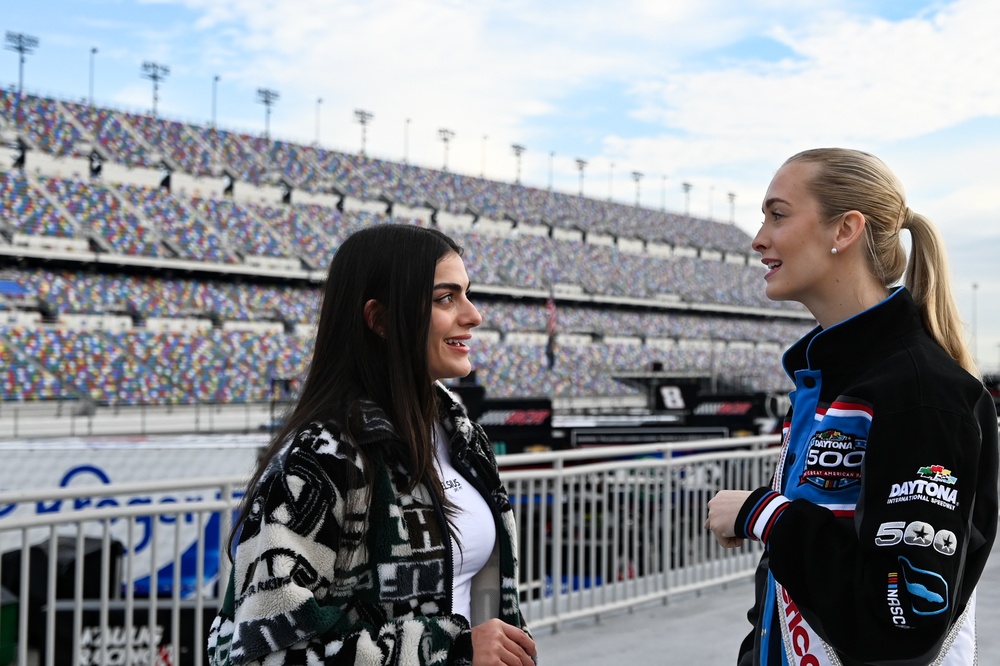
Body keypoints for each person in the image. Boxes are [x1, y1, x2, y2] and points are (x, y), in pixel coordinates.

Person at [706, 148, 998, 665]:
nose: (759, 239)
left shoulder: (921, 393)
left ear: (845, 230)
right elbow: (790, 589)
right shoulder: (827, 379)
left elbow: (902, 617)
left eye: (778, 214)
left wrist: (763, 513)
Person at [208, 224, 537, 666]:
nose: (473, 315)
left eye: (467, 293)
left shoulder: (466, 440)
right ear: (380, 319)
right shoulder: (319, 458)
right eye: (446, 298)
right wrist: (448, 649)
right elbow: (261, 653)